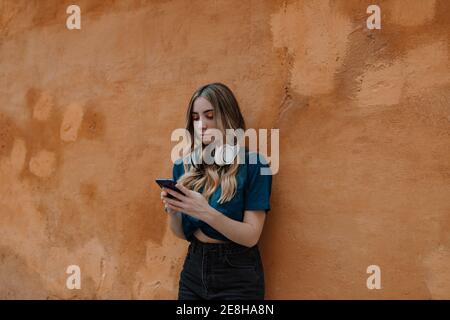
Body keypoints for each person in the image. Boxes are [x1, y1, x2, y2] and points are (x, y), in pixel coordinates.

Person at [160, 83, 272, 300]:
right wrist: (174, 211)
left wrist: (204, 211)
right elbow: (181, 233)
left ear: (227, 116)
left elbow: (251, 236)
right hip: (193, 269)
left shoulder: (255, 165)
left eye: (209, 115)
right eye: (195, 117)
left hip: (237, 275)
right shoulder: (183, 166)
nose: (201, 124)